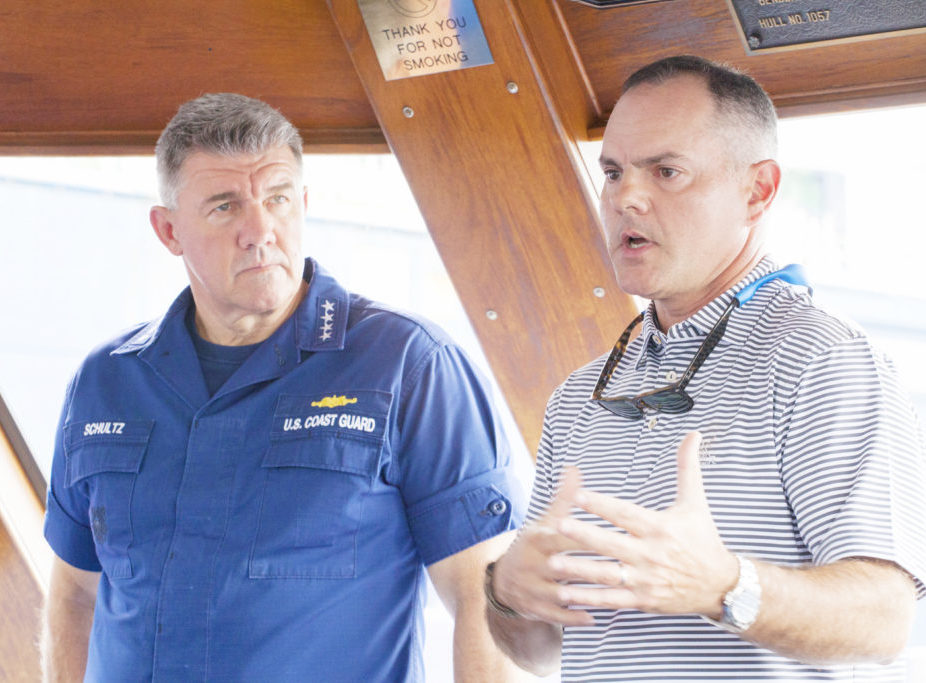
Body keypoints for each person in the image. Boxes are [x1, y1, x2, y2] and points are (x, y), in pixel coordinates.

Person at [41, 92, 526, 681]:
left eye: (277, 199)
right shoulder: (106, 380)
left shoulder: (409, 364)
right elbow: (75, 592)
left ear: (303, 202)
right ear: (168, 230)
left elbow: (487, 596)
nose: (260, 230)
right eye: (224, 207)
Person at [485, 55, 926, 680]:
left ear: (758, 191)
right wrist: (507, 594)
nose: (626, 198)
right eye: (613, 172)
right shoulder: (581, 395)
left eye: (667, 172)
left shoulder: (822, 361)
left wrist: (723, 585)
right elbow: (540, 652)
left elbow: (885, 620)